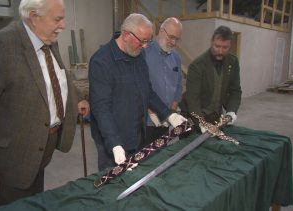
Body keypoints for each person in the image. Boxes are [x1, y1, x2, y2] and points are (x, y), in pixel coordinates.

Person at [0, 0, 89, 209]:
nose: (63, 25)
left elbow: (57, 77)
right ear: (34, 17)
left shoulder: (48, 43)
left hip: (39, 154)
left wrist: (78, 96)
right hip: (8, 164)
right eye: (58, 19)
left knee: (32, 204)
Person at [89, 13, 187, 171]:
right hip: (113, 139)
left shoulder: (138, 55)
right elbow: (101, 108)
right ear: (126, 35)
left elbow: (147, 91)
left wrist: (169, 114)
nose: (146, 46)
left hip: (136, 134)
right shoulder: (102, 61)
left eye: (148, 41)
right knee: (113, 183)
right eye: (142, 41)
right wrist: (114, 144)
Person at [180, 25, 242, 131]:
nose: (220, 51)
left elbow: (235, 90)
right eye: (217, 46)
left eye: (225, 47)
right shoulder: (197, 65)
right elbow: (192, 99)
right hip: (192, 117)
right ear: (211, 42)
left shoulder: (233, 62)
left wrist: (231, 111)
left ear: (230, 45)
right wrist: (201, 122)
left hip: (216, 116)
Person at [141, 17, 183, 148]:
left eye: (177, 39)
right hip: (147, 121)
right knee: (144, 157)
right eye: (171, 37)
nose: (173, 42)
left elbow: (178, 86)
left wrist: (171, 111)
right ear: (161, 31)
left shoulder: (176, 57)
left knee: (161, 155)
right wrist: (150, 110)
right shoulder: (144, 53)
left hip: (166, 120)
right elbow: (139, 86)